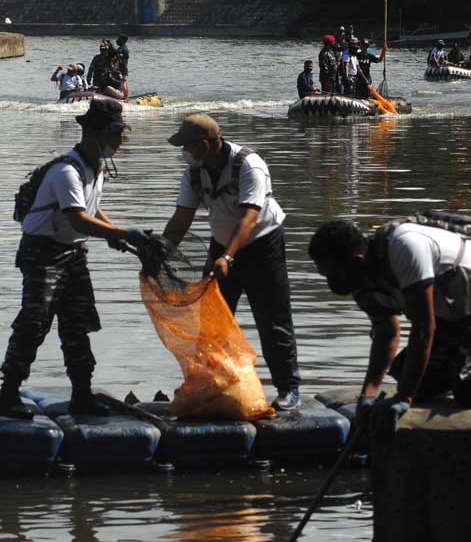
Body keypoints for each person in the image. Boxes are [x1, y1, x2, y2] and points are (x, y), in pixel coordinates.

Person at [308, 219, 471, 437]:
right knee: (411, 376)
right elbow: (386, 332)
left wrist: (405, 397)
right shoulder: (360, 278)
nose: (331, 284)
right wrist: (369, 394)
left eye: (332, 274)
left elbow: (425, 328)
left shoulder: (404, 248)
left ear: (357, 260)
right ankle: (468, 359)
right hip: (457, 316)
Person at [0, 99, 153, 419]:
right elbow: (78, 220)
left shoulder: (94, 166)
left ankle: (81, 395)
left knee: (77, 323)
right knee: (34, 321)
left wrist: (113, 234)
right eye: (116, 132)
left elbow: (93, 210)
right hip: (42, 251)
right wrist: (126, 232)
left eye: (122, 131)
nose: (121, 139)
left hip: (72, 252)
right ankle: (8, 393)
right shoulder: (66, 171)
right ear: (95, 133)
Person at [162, 114, 302, 410]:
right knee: (211, 323)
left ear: (205, 144)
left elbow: (250, 217)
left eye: (186, 146)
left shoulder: (248, 164)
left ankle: (288, 389)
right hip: (222, 246)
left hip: (262, 245)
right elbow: (180, 220)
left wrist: (228, 256)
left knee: (272, 320)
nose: (183, 153)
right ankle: (212, 384)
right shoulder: (193, 173)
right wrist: (160, 252)